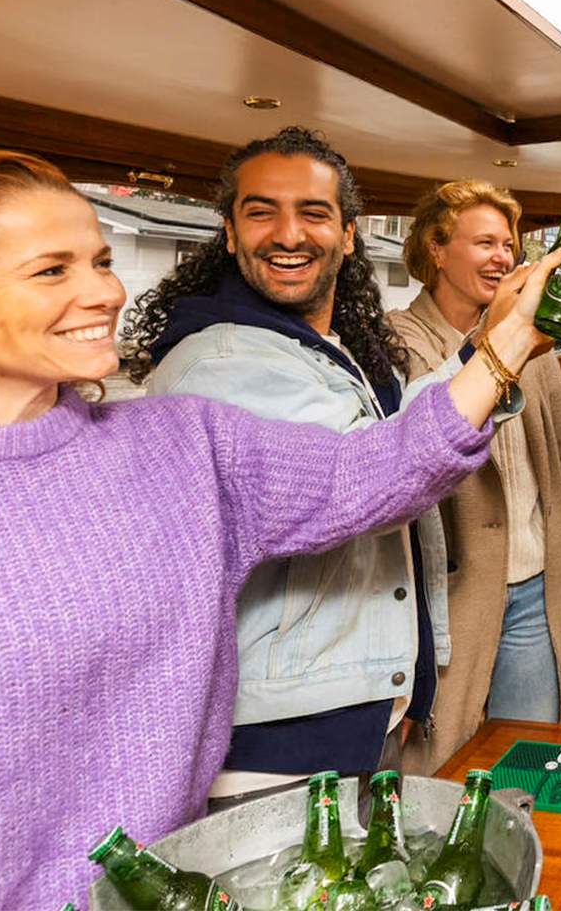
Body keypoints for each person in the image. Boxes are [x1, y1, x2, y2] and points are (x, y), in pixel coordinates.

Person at [0, 150, 559, 909]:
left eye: (101, 260)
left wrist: (505, 345)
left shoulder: (179, 446)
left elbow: (373, 471)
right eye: (51, 271)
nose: (102, 291)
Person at [121, 127, 461, 801]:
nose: (288, 233)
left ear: (349, 233)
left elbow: (389, 441)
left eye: (312, 212)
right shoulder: (222, 359)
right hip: (279, 740)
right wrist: (503, 347)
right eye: (261, 211)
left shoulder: (325, 345)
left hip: (353, 712)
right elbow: (373, 476)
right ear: (228, 232)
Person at [387, 179, 561, 775]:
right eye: (484, 242)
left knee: (529, 768)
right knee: (441, 770)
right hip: (451, 603)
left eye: (508, 245)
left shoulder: (533, 340)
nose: (502, 258)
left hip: (537, 591)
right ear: (436, 250)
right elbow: (408, 439)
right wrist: (498, 335)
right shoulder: (396, 340)